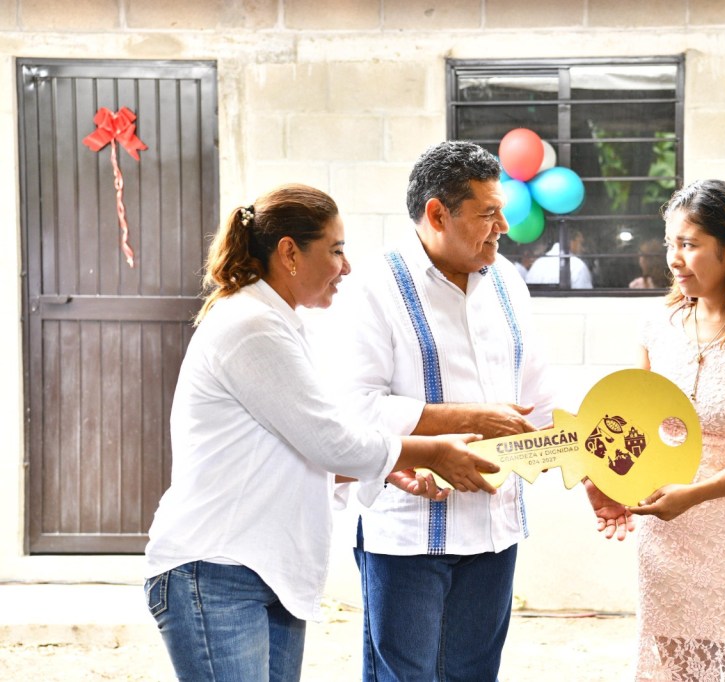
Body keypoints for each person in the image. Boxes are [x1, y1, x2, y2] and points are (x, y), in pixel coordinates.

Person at [143, 184, 498, 682]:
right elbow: (331, 441)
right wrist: (433, 451)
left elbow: (292, 453)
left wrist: (389, 467)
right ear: (289, 252)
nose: (346, 267)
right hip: (217, 569)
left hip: (260, 570)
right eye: (335, 250)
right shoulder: (251, 326)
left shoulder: (281, 324)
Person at [333, 141, 557, 682]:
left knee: (474, 675)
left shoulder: (507, 281)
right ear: (438, 214)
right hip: (409, 532)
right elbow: (356, 409)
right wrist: (475, 418)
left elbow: (537, 392)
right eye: (487, 213)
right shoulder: (373, 287)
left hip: (495, 527)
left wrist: (581, 461)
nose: (504, 225)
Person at [586, 179, 725, 681]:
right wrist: (602, 480)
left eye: (688, 244)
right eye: (670, 243)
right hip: (667, 544)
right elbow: (630, 428)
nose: (673, 258)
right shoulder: (656, 327)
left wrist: (694, 494)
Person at [525, 227, 593, 288]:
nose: (582, 249)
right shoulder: (578, 266)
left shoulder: (537, 264)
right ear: (573, 241)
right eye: (581, 243)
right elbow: (584, 298)